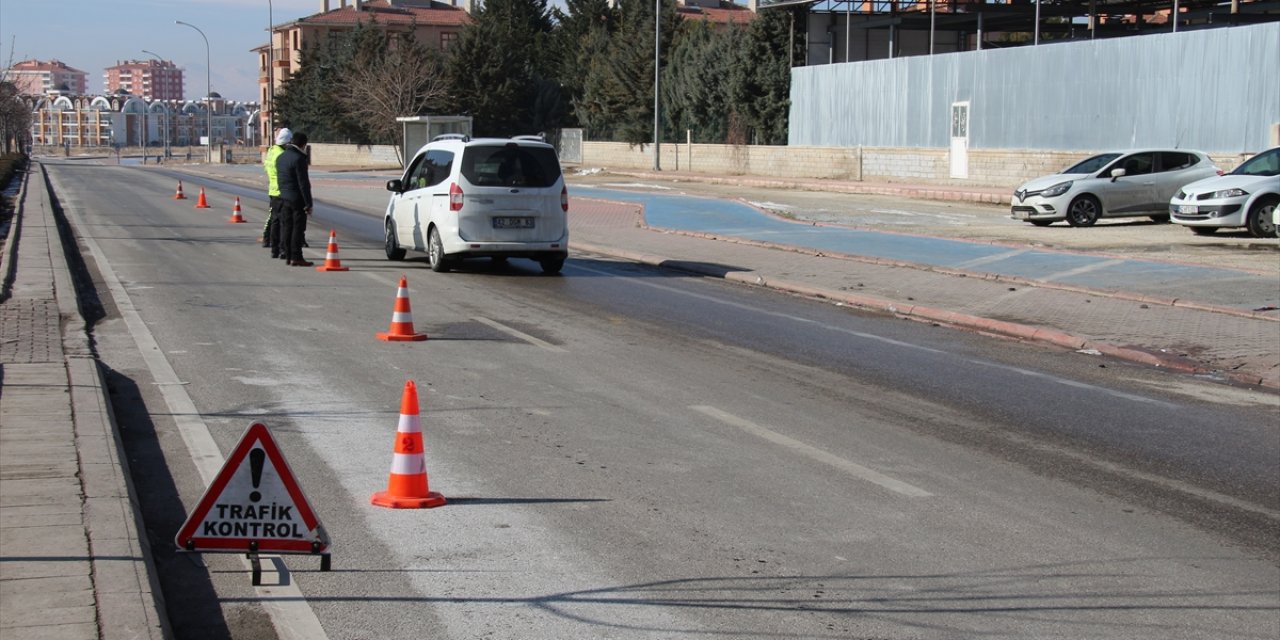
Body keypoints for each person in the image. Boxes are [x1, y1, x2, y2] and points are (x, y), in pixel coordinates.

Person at [275, 132, 314, 267]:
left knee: (287, 227)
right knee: (298, 229)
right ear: (303, 144)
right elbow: (303, 183)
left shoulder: (281, 157)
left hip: (283, 197)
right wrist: (308, 203)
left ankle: (287, 255)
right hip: (296, 199)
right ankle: (296, 256)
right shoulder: (299, 159)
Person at [263, 127, 291, 255]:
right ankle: (281, 247)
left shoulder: (272, 150)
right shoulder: (281, 154)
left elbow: (266, 168)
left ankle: (273, 248)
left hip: (273, 190)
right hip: (282, 190)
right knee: (284, 221)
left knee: (274, 220)